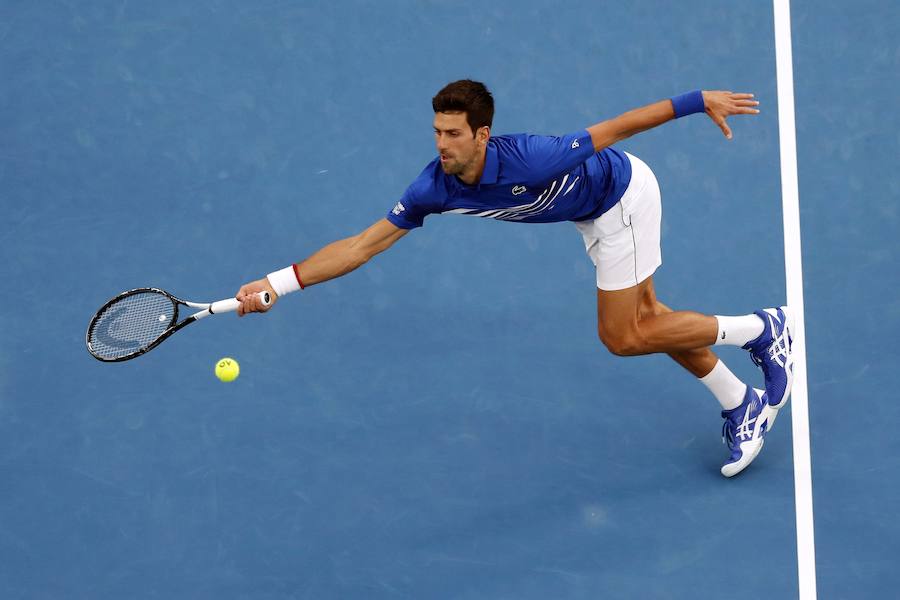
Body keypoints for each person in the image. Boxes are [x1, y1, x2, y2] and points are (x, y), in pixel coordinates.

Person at [235, 80, 793, 477]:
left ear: (482, 134)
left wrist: (698, 101)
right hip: (589, 216)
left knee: (624, 335)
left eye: (453, 134)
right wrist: (276, 283)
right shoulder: (435, 186)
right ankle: (741, 400)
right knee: (649, 322)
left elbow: (619, 127)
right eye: (436, 132)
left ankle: (760, 329)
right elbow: (362, 244)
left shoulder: (533, 158)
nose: (440, 144)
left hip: (621, 197)